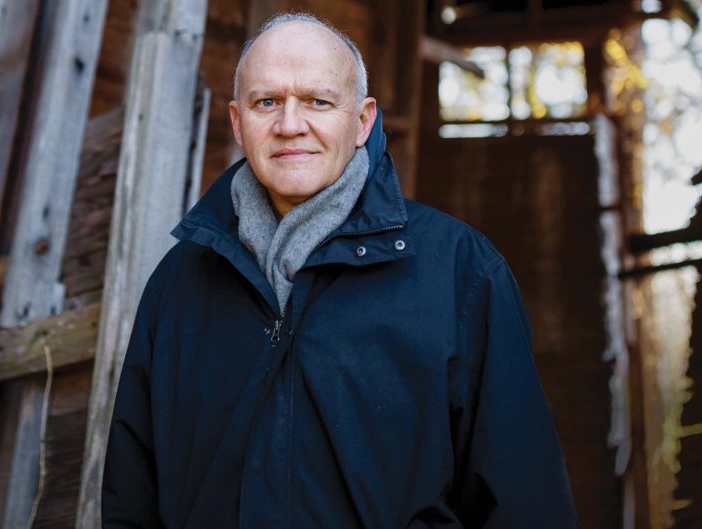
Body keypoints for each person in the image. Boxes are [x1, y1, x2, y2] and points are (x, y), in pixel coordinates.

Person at [102, 12, 579, 529]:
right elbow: (132, 494)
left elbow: (523, 500)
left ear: (362, 121)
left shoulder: (461, 272)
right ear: (239, 123)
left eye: (318, 101)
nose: (290, 124)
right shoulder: (181, 279)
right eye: (268, 102)